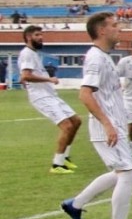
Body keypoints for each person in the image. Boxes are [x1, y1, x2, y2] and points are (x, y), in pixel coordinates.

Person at [60, 12, 132, 219]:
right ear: (102, 31)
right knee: (128, 174)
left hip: (114, 127)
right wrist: (107, 124)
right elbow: (85, 94)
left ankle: (75, 204)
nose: (120, 29)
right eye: (115, 25)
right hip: (106, 129)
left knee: (121, 173)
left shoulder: (105, 57)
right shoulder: (96, 58)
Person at [18, 25, 83, 174]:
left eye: (41, 35)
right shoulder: (27, 53)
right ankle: (57, 164)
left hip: (50, 95)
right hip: (41, 97)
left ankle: (65, 156)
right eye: (37, 35)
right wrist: (49, 79)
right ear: (28, 37)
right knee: (66, 126)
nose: (41, 38)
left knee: (76, 121)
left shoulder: (33, 53)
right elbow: (25, 76)